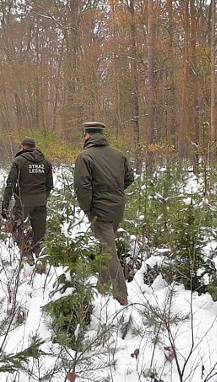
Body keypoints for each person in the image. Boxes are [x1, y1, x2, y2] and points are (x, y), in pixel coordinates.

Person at [73, 122, 135, 306]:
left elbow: (81, 186)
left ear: (88, 135)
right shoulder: (119, 155)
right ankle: (102, 286)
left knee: (108, 252)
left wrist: (88, 208)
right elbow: (129, 178)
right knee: (104, 247)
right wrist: (115, 192)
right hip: (117, 209)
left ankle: (121, 295)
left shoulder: (85, 157)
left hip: (99, 211)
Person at [1, 137, 53, 263]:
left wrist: (5, 204)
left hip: (23, 202)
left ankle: (26, 254)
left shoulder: (19, 161)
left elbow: (10, 183)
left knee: (15, 227)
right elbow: (49, 185)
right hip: (41, 202)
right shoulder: (46, 162)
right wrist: (42, 198)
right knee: (39, 232)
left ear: (23, 147)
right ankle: (40, 256)